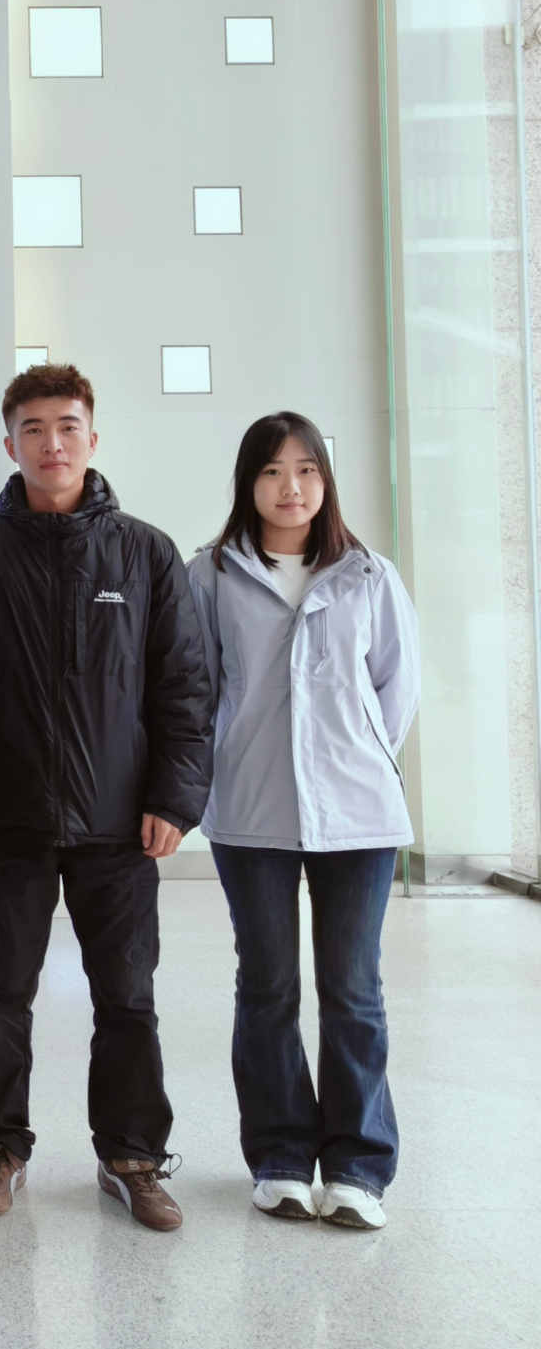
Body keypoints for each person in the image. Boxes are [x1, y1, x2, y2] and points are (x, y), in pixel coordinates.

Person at [0, 362, 212, 1232]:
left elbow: (184, 686)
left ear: (92, 438)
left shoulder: (145, 552)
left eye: (67, 426)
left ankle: (131, 1156)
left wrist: (174, 798)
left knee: (127, 998)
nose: (52, 443)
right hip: (11, 819)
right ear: (10, 443)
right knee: (2, 992)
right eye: (33, 428)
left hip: (120, 824)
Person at [187, 412, 418, 1230]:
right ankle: (281, 1157)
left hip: (358, 815)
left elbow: (396, 690)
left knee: (353, 988)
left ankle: (358, 1167)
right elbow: (195, 687)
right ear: (247, 482)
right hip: (251, 813)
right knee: (268, 985)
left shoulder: (368, 574)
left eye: (307, 469)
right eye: (273, 471)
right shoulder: (210, 574)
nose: (292, 487)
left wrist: (352, 755)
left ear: (326, 479)